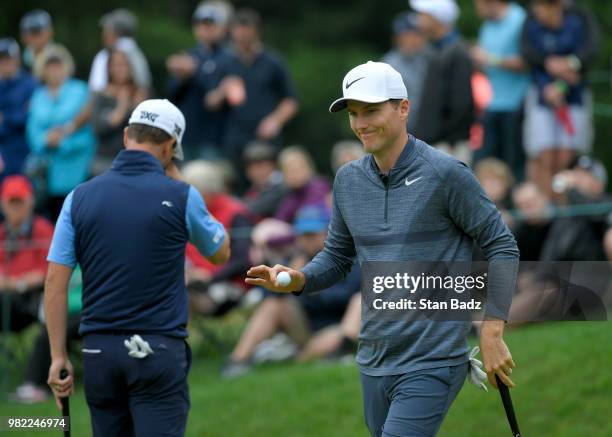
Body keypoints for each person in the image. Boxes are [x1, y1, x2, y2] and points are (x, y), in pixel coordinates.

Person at [246, 61, 519, 437]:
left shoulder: (446, 173)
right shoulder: (347, 180)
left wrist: (491, 331)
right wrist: (297, 279)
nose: (360, 124)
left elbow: (501, 244)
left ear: (403, 108)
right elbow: (339, 256)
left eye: (371, 111)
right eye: (354, 114)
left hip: (433, 358)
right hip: (374, 358)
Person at [44, 99, 230, 437]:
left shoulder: (78, 197)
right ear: (171, 146)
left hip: (98, 351)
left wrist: (58, 355)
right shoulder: (182, 195)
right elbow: (220, 252)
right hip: (157, 349)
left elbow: (55, 284)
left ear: (126, 134)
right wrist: (175, 174)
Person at [223, 204, 361, 378]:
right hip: (304, 328)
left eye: (311, 235)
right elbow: (269, 297)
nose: (306, 240)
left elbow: (349, 294)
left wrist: (308, 287)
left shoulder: (346, 258)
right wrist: (288, 285)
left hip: (338, 328)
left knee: (358, 305)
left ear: (328, 233)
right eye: (302, 235)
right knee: (274, 304)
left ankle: (317, 355)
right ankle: (238, 360)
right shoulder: (295, 260)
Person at [206, 8, 299, 174]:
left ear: (257, 32)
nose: (242, 39)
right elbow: (210, 103)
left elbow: (291, 100)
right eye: (238, 34)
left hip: (266, 139)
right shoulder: (224, 63)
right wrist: (223, 90)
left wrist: (275, 120)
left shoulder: (273, 62)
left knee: (270, 185)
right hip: (235, 139)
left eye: (246, 34)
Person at [521, 0, 599, 195]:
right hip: (542, 96)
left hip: (574, 97)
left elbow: (587, 55)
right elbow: (531, 58)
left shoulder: (578, 20)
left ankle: (565, 206)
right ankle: (544, 206)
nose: (537, 13)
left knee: (566, 156)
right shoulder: (532, 25)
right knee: (543, 155)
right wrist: (547, 86)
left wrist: (562, 83)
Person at [26, 44, 96, 221]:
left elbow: (89, 131)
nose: (54, 70)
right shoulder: (38, 95)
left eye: (58, 65)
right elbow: (32, 131)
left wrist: (62, 142)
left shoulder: (80, 90)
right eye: (49, 65)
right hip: (45, 175)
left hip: (76, 170)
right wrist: (45, 140)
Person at [182, 160, 253, 316]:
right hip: (192, 279)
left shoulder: (235, 212)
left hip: (227, 284)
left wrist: (210, 277)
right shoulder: (190, 210)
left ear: (207, 191)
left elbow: (242, 260)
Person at [166, 1, 233, 160]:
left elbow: (213, 98)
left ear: (222, 28)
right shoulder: (188, 55)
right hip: (187, 135)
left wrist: (194, 72)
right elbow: (172, 94)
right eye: (201, 24)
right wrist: (182, 77)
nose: (205, 29)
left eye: (211, 24)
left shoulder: (229, 58)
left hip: (214, 138)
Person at [410, 0, 474, 163]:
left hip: (448, 146)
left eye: (422, 15)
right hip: (434, 144)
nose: (417, 20)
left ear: (436, 18)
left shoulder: (457, 52)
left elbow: (461, 103)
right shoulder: (435, 50)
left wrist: (451, 141)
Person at [471, 0, 529, 181]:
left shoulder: (520, 20)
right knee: (483, 165)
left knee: (513, 166)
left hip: (516, 105)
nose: (476, 7)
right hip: (492, 104)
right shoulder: (486, 26)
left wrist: (490, 59)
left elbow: (527, 62)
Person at [0, 175, 54, 332]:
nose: (16, 208)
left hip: (30, 301)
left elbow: (48, 272)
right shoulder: (2, 232)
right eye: (12, 202)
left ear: (30, 202)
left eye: (20, 202)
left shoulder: (43, 229)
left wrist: (17, 283)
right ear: (3, 204)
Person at [90, 46, 148, 174]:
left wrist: (137, 106)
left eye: (123, 64)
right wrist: (121, 107)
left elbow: (146, 131)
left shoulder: (141, 94)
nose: (119, 69)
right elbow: (98, 129)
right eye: (115, 65)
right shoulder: (102, 95)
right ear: (109, 68)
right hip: (106, 160)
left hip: (136, 160)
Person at [382, 11, 433, 133]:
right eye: (412, 33)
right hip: (405, 131)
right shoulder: (389, 64)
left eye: (419, 33)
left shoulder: (431, 58)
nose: (417, 38)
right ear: (400, 37)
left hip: (432, 129)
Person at [0, 38, 38, 181]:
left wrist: (6, 118)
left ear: (17, 59)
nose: (4, 64)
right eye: (1, 60)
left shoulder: (30, 84)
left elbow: (30, 116)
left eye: (7, 59)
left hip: (24, 152)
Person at [89, 9, 151, 94]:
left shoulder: (105, 55)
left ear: (112, 31)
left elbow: (97, 87)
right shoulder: (137, 52)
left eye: (105, 30)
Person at [274, 146, 330, 224]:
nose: (296, 174)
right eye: (290, 170)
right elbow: (279, 222)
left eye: (299, 168)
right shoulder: (288, 196)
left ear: (309, 168)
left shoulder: (320, 187)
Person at [242, 141, 287, 220]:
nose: (260, 172)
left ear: (273, 166)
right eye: (255, 168)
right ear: (248, 171)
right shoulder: (253, 191)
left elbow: (253, 209)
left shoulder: (282, 186)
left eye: (264, 167)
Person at [19, 9, 54, 76]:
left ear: (50, 32)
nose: (36, 37)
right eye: (32, 32)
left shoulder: (61, 57)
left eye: (38, 32)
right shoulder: (16, 60)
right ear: (23, 36)